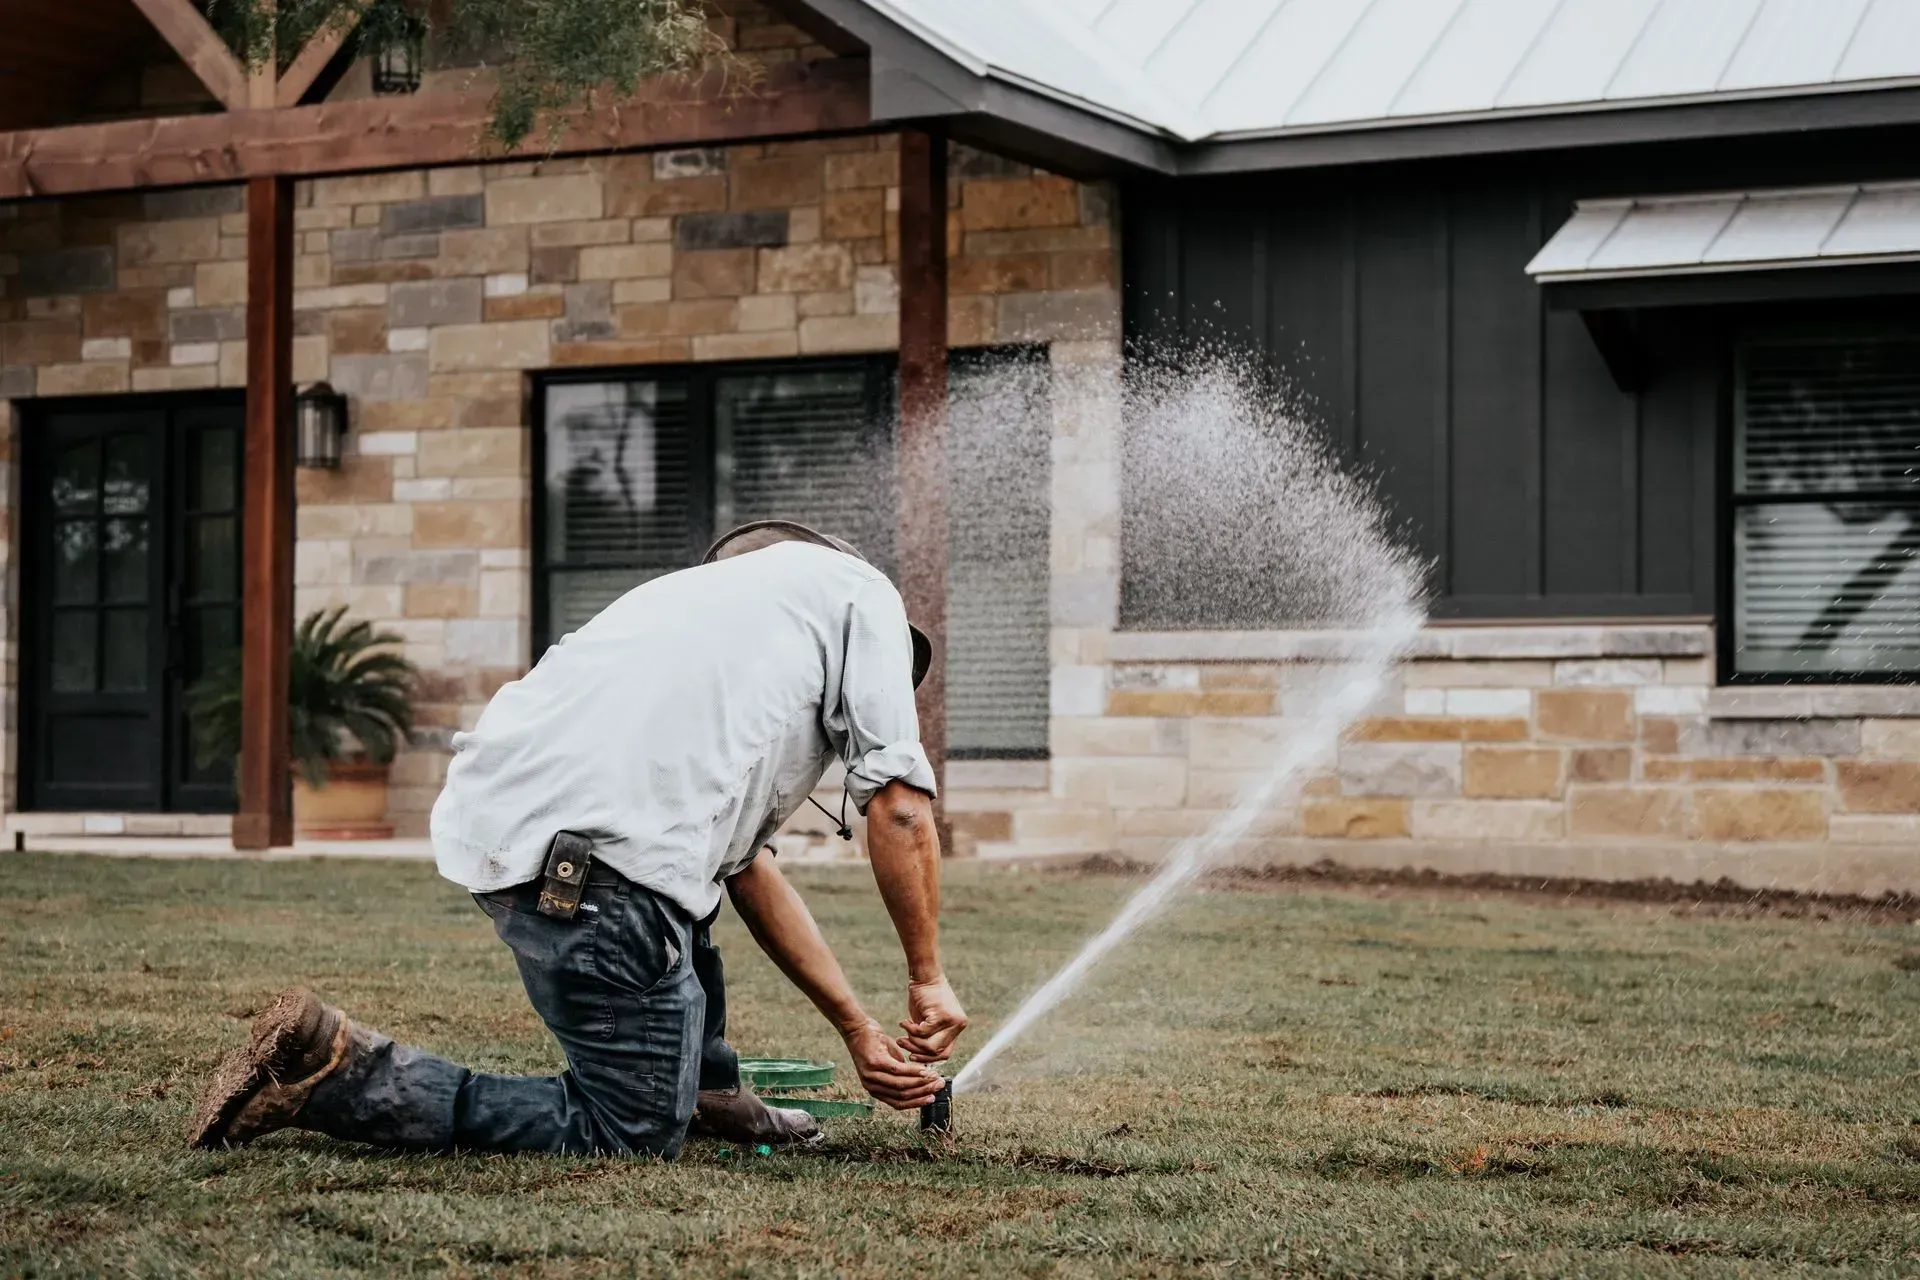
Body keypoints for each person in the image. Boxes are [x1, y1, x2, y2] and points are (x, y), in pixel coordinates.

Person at [187, 520, 969, 1157]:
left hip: (508, 828)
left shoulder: (706, 625)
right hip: (590, 868)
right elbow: (899, 807)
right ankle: (334, 1071)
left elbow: (747, 875)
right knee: (628, 1131)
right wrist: (926, 978)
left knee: (683, 910)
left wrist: (859, 1030)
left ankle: (710, 1091)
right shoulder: (862, 595)